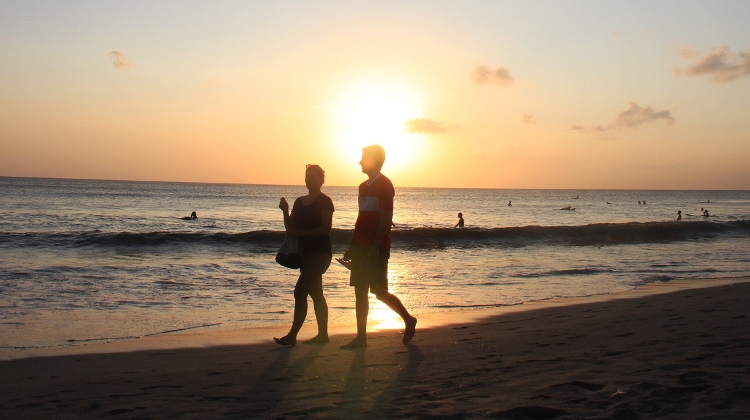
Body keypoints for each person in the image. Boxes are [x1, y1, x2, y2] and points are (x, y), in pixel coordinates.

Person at [339, 145, 417, 349]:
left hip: (376, 247)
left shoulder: (384, 184)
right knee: (360, 291)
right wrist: (352, 246)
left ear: (373, 160)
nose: (359, 162)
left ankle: (408, 319)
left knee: (380, 291)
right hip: (360, 246)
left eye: (363, 158)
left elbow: (385, 219)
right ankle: (361, 337)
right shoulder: (362, 187)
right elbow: (361, 219)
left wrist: (375, 245)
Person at [274, 164, 334, 346]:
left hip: (321, 253)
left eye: (313, 176)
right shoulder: (299, 202)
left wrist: (302, 234)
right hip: (305, 254)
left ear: (321, 180)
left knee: (300, 291)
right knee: (316, 293)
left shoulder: (325, 201)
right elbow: (291, 228)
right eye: (307, 176)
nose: (309, 179)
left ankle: (292, 335)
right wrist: (285, 211)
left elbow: (325, 229)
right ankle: (323, 335)